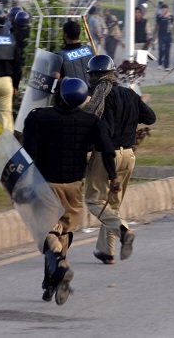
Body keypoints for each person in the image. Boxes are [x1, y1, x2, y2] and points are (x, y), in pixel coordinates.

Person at [21, 78, 117, 305]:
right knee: (62, 233)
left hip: (45, 184)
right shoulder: (92, 122)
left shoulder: (37, 117)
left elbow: (28, 153)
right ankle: (51, 282)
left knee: (48, 232)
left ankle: (60, 266)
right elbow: (107, 149)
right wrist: (113, 177)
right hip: (74, 186)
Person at [82, 55, 156, 264]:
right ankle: (107, 251)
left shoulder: (102, 97)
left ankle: (123, 230)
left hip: (108, 154)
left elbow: (105, 135)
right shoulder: (130, 94)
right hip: (129, 155)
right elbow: (150, 118)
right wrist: (131, 116)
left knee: (94, 200)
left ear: (95, 76)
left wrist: (110, 171)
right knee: (112, 205)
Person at [155, 3, 174, 69]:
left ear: (167, 9)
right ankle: (160, 62)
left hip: (168, 35)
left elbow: (173, 25)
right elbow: (157, 26)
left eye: (165, 9)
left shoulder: (170, 16)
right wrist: (154, 35)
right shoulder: (159, 17)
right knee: (161, 49)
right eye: (162, 9)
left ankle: (166, 65)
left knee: (167, 50)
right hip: (161, 35)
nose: (163, 10)